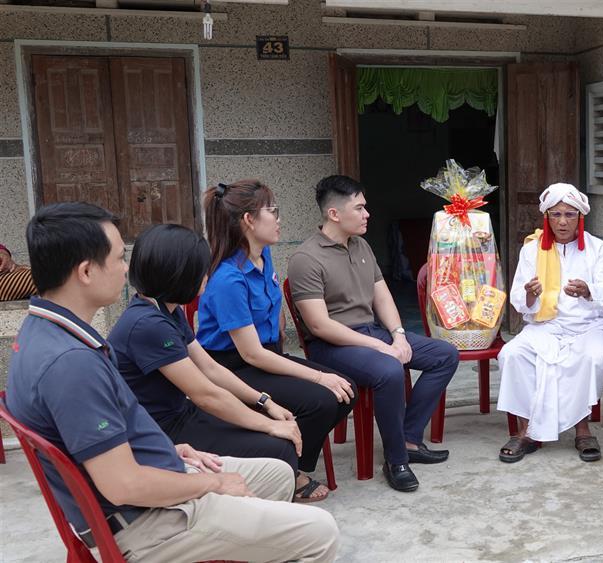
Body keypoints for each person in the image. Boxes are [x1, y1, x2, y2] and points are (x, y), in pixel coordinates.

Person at [6, 202, 338, 562]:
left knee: (276, 473)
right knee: (321, 532)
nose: (126, 271)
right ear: (86, 271)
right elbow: (123, 484)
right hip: (145, 521)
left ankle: (240, 538)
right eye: (119, 259)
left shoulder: (44, 333)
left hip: (153, 472)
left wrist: (168, 452)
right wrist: (212, 483)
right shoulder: (72, 364)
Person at [108, 223, 342, 503]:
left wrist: (265, 403)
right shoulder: (148, 325)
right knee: (278, 446)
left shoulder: (164, 311)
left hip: (182, 415)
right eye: (201, 269)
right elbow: (205, 394)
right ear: (177, 273)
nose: (207, 275)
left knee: (280, 435)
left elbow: (209, 368)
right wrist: (267, 424)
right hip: (163, 430)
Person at [287, 175, 459, 493]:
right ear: (334, 214)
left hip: (372, 334)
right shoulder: (306, 259)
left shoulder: (361, 245)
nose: (367, 214)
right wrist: (381, 348)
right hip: (332, 344)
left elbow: (382, 296)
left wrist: (399, 336)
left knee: (445, 355)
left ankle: (407, 438)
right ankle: (396, 461)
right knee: (389, 369)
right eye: (360, 208)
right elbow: (320, 326)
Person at [196, 180, 356, 503]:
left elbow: (275, 317)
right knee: (322, 398)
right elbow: (251, 354)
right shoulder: (228, 278)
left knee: (344, 390)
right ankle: (289, 475)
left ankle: (289, 462)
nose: (279, 219)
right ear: (249, 221)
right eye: (273, 211)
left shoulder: (263, 254)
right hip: (234, 367)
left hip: (266, 355)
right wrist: (317, 375)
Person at [497, 183, 603, 463]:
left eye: (569, 214)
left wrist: (588, 291)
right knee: (512, 354)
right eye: (556, 214)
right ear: (547, 217)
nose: (562, 221)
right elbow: (518, 296)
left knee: (593, 357)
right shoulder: (532, 251)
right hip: (546, 325)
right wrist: (530, 293)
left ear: (580, 217)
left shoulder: (598, 249)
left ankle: (582, 428)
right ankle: (526, 431)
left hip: (589, 325)